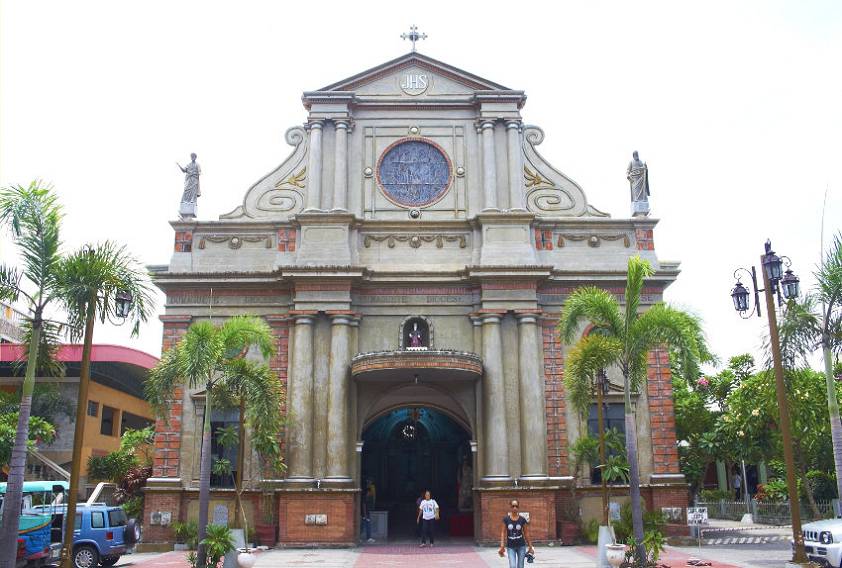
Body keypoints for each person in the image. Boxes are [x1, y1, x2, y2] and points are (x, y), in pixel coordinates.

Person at [498, 499, 534, 568]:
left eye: (516, 506)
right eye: (513, 506)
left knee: (520, 566)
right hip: (510, 546)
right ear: (510, 507)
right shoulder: (506, 519)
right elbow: (503, 532)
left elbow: (526, 533)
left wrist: (530, 546)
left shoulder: (522, 519)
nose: (515, 508)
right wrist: (502, 545)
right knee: (513, 566)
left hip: (521, 546)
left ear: (518, 507)